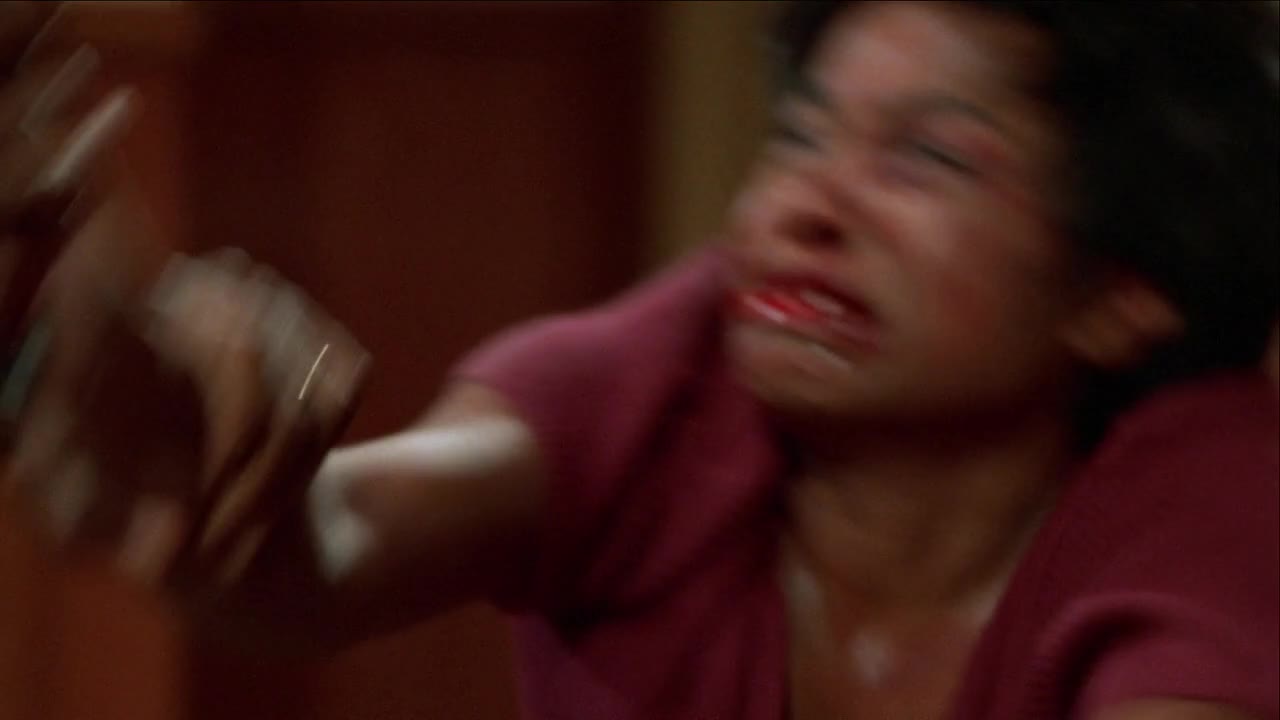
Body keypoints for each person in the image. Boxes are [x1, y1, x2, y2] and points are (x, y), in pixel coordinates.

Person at [3, 2, 1278, 719]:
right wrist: (113, 331)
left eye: (926, 159)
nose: (807, 206)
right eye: (800, 137)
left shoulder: (1207, 489)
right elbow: (309, 545)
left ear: (1116, 295)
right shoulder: (675, 377)